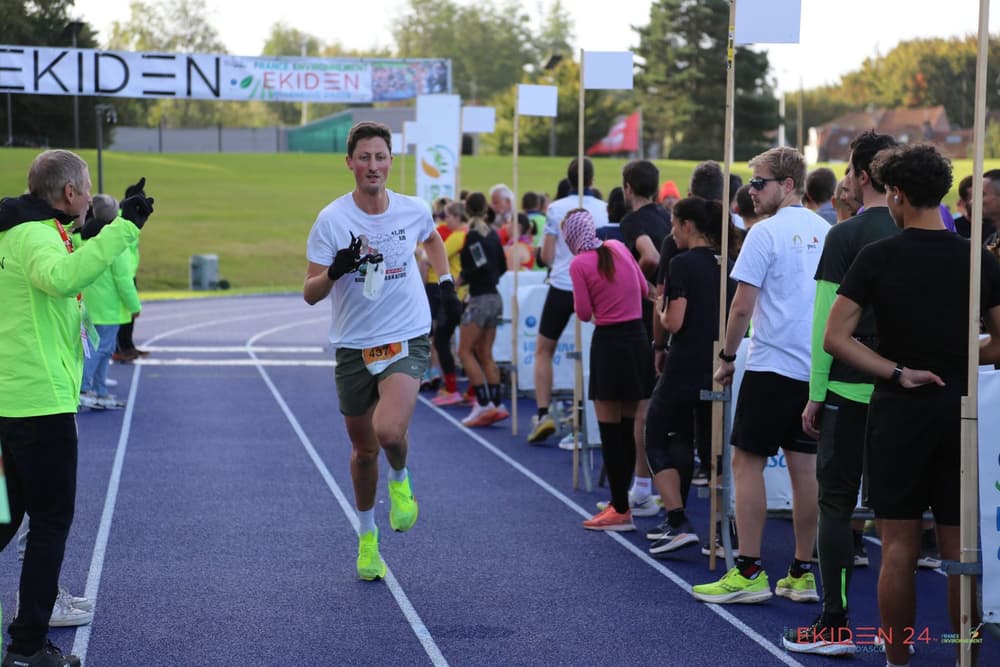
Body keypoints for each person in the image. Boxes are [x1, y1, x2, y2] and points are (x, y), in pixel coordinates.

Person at [823, 143, 1000, 667]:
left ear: (896, 193)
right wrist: (959, 355)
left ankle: (897, 659)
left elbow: (836, 338)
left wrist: (899, 372)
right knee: (957, 553)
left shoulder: (876, 256)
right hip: (959, 412)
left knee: (897, 548)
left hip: (899, 412)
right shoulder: (976, 257)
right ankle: (963, 655)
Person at [0, 149, 154, 667]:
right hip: (37, 406)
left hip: (11, 399)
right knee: (48, 523)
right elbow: (61, 279)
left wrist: (95, 235)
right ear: (69, 193)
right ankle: (26, 649)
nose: (89, 198)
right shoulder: (33, 236)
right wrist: (122, 230)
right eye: (86, 190)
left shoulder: (17, 230)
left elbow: (60, 272)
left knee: (5, 519)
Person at [303, 121, 460, 581]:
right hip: (354, 344)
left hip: (407, 334)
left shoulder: (412, 209)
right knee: (362, 449)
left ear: (391, 161)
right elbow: (311, 293)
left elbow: (431, 238)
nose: (373, 166)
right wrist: (335, 270)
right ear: (350, 163)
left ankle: (401, 479)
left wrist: (445, 281)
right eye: (365, 158)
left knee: (389, 432)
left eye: (381, 157)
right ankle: (367, 538)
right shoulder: (332, 220)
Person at [692, 146, 829, 604]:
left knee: (745, 462)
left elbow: (742, 305)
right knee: (804, 469)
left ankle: (749, 570)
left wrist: (728, 356)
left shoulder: (763, 233)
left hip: (772, 365)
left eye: (759, 182)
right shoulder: (825, 231)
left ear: (787, 185)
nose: (750, 191)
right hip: (813, 369)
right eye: (750, 182)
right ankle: (801, 571)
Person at [782, 129, 899, 656]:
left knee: (836, 505)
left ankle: (834, 622)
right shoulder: (929, 231)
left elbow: (826, 325)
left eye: (850, 171)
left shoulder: (845, 236)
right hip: (909, 392)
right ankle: (901, 635)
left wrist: (815, 392)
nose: (846, 180)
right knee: (901, 517)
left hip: (850, 391)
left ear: (864, 175)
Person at [645, 197, 736, 555]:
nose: (671, 231)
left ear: (687, 225)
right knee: (710, 448)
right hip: (720, 364)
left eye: (673, 223)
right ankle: (720, 530)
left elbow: (675, 320)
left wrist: (661, 312)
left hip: (684, 363)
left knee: (656, 435)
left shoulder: (681, 264)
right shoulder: (730, 263)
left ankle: (678, 518)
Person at [564, 209, 654, 531]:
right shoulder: (617, 247)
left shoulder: (578, 264)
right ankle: (623, 500)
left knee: (609, 429)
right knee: (629, 424)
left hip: (609, 343)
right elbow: (644, 290)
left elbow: (584, 313)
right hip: (637, 340)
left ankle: (619, 507)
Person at [527, 158, 609, 443]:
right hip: (595, 286)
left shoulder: (555, 208)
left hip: (563, 285)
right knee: (595, 350)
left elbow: (547, 257)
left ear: (569, 178)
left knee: (543, 350)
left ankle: (542, 412)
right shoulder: (604, 208)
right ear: (592, 179)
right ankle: (588, 416)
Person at [616, 160, 670, 517]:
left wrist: (636, 278)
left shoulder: (632, 221)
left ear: (628, 188)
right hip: (670, 312)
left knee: (640, 407)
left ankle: (641, 486)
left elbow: (650, 255)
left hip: (646, 317)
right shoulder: (667, 216)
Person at [78, 194, 142, 411]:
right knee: (101, 350)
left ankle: (99, 390)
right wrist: (134, 306)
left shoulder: (84, 238)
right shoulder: (114, 244)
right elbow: (124, 279)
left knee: (98, 350)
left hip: (90, 306)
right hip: (109, 309)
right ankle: (85, 389)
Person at [456, 192, 509, 427]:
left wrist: (463, 279)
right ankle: (497, 404)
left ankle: (483, 402)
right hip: (495, 297)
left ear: (467, 210)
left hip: (480, 298)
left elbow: (480, 266)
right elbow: (502, 266)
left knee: (464, 352)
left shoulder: (474, 236)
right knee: (485, 353)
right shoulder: (494, 235)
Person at [429, 201, 469, 407]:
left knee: (442, 340)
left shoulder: (458, 236)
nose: (446, 221)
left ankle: (452, 388)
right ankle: (472, 391)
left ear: (457, 217)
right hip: (465, 294)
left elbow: (437, 253)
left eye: (449, 217)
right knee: (470, 346)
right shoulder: (469, 234)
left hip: (454, 294)